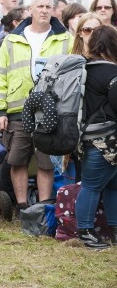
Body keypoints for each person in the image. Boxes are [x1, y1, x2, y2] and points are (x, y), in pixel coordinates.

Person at [0, 0, 73, 214]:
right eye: (40, 6)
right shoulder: (12, 39)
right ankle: (22, 206)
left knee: (46, 161)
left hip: (52, 110)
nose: (44, 10)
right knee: (18, 159)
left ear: (53, 10)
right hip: (17, 109)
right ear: (31, 10)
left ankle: (44, 206)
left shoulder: (66, 39)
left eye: (48, 6)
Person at [76, 25, 117, 249]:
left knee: (111, 185)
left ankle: (113, 229)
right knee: (92, 186)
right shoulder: (112, 72)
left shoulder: (84, 70)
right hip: (107, 141)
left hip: (87, 137)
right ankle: (86, 233)